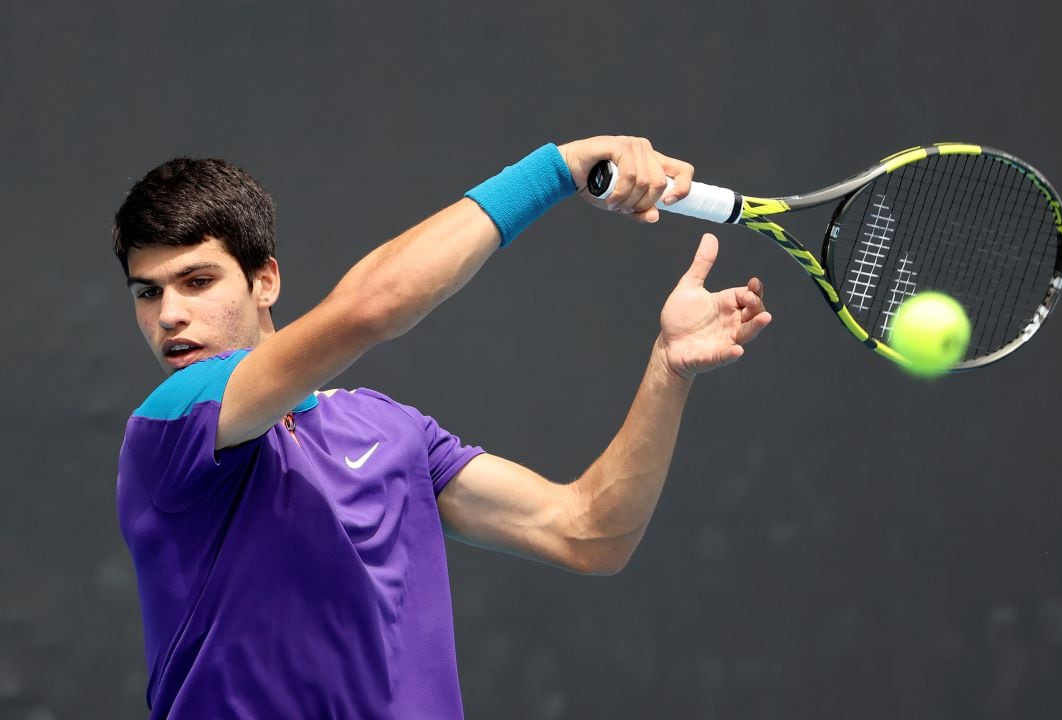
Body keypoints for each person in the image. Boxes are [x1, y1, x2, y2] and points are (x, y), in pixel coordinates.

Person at [113, 135, 771, 719]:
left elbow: (589, 532)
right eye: (148, 292)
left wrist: (669, 368)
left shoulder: (390, 431)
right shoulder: (169, 426)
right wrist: (559, 169)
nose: (170, 314)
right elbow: (370, 307)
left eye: (196, 281)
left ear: (265, 282)